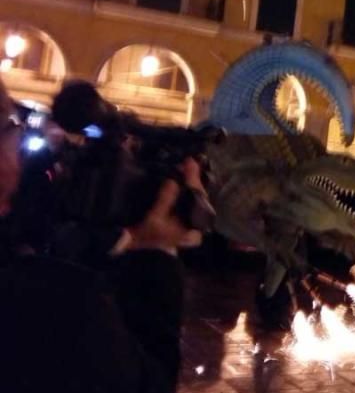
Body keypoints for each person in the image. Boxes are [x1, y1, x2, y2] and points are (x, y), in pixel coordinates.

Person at [0, 79, 208, 393]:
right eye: (13, 126)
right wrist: (154, 250)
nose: (21, 138)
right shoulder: (57, 298)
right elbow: (148, 382)